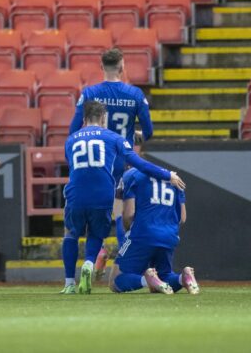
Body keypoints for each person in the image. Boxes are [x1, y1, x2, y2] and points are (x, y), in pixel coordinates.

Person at [61, 101, 185, 295]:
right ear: (103, 119)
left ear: (84, 120)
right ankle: (88, 262)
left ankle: (69, 283)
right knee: (96, 233)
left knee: (70, 233)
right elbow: (139, 164)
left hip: (75, 193)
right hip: (102, 194)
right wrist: (167, 174)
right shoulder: (114, 138)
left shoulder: (71, 139)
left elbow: (73, 166)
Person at [69, 48, 155, 277]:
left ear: (101, 67)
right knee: (121, 212)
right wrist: (136, 135)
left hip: (95, 161)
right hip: (122, 160)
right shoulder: (135, 94)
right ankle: (124, 263)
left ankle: (98, 254)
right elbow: (149, 131)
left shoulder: (90, 93)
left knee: (93, 211)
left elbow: (73, 129)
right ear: (122, 67)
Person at [108, 167, 199, 295]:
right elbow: (182, 218)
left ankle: (147, 280)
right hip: (169, 235)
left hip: (143, 232)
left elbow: (129, 214)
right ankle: (183, 278)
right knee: (164, 276)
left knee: (115, 281)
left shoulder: (133, 174)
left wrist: (129, 232)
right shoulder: (173, 176)